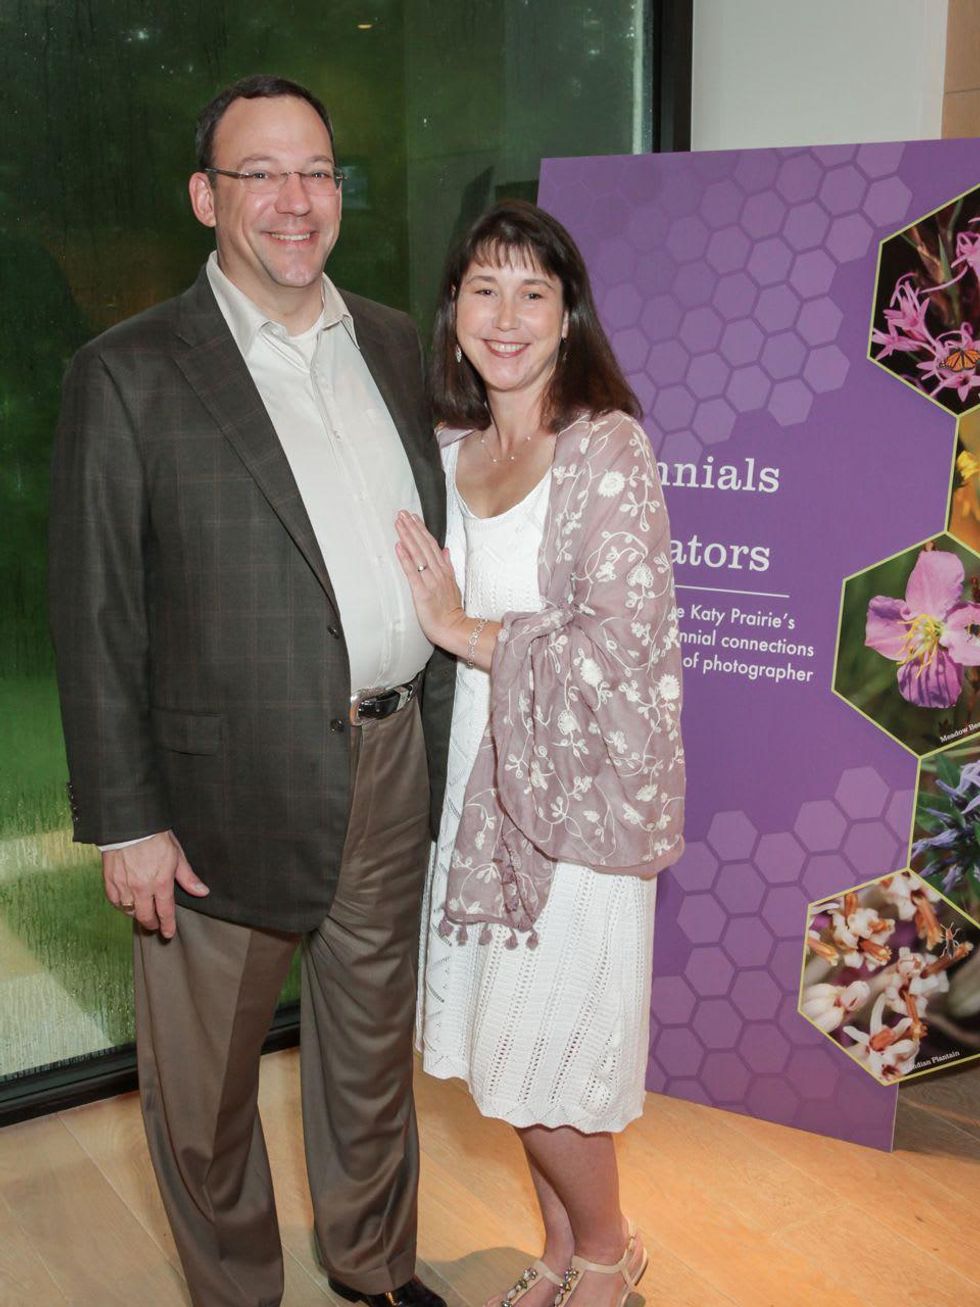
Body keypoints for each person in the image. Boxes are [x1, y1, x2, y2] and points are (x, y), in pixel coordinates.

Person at [48, 74, 454, 1307]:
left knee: (370, 1050)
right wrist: (126, 818)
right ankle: (237, 1291)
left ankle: (373, 1267)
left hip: (391, 756)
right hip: (212, 795)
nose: (294, 199)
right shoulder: (128, 371)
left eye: (316, 171)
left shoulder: (394, 340)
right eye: (260, 173)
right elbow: (95, 612)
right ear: (203, 196)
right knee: (205, 1090)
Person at [395, 200, 685, 1307]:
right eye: (484, 289)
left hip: (572, 811)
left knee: (546, 1049)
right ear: (453, 309)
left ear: (569, 318)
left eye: (533, 293)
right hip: (473, 799)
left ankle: (608, 1249)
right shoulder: (447, 451)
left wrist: (460, 628)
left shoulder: (606, 448)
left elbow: (621, 642)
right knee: (510, 1049)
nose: (506, 317)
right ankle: (561, 1247)